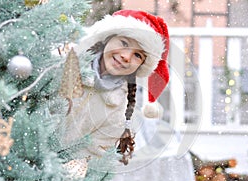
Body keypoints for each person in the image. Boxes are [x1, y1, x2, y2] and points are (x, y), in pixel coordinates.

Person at [58, 9, 170, 165]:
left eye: (138, 55)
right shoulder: (63, 63)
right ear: (108, 38)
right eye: (124, 43)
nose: (126, 56)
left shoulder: (118, 111)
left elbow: (91, 155)